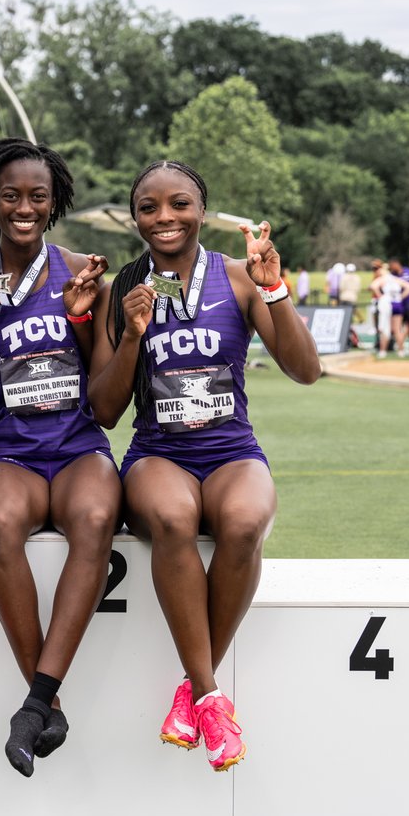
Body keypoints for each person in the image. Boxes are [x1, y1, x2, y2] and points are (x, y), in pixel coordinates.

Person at [87, 160, 321, 772]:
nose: (164, 217)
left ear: (201, 209)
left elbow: (305, 369)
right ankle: (211, 696)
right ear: (136, 217)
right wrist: (133, 334)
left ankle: (194, 693)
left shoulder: (240, 277)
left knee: (244, 523)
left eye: (179, 204)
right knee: (172, 518)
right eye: (149, 207)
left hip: (230, 449)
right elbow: (105, 411)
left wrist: (274, 289)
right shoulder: (122, 290)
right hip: (158, 453)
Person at [0, 138, 119, 777]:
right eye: (11, 195)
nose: (24, 207)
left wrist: (85, 322)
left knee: (95, 521)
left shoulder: (81, 272)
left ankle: (32, 705)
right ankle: (49, 702)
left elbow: (105, 398)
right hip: (10, 452)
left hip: (78, 447)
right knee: (1, 523)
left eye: (38, 196)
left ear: (54, 202)